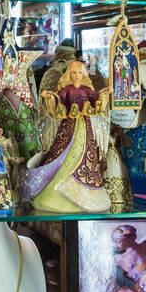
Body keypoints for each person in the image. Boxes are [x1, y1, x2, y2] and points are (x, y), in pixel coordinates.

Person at [22, 60, 112, 213]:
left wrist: (104, 93)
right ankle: (54, 190)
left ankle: (84, 191)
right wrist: (49, 97)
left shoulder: (86, 89)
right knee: (62, 151)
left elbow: (96, 99)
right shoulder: (67, 89)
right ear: (69, 74)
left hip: (84, 126)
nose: (77, 75)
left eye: (79, 72)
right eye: (74, 73)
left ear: (83, 74)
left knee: (85, 151)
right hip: (68, 126)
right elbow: (58, 101)